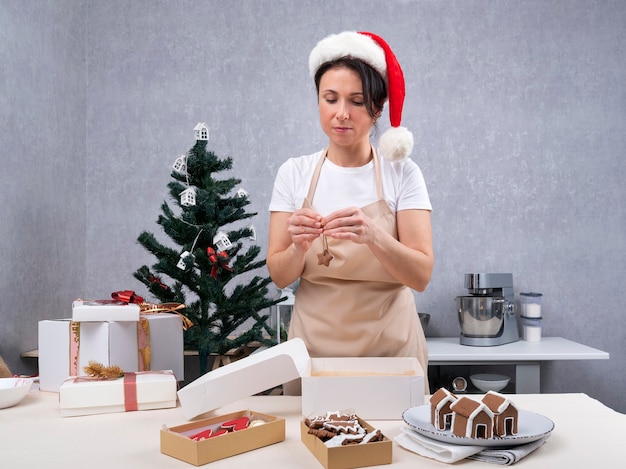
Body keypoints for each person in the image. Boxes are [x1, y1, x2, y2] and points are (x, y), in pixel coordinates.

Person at [267, 31, 433, 392]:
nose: (341, 113)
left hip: (392, 349)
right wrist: (297, 247)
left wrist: (372, 234)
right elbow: (280, 276)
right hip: (314, 350)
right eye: (330, 99)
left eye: (356, 101)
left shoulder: (403, 172)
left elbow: (421, 274)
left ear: (377, 108)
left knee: (394, 446)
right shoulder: (293, 173)